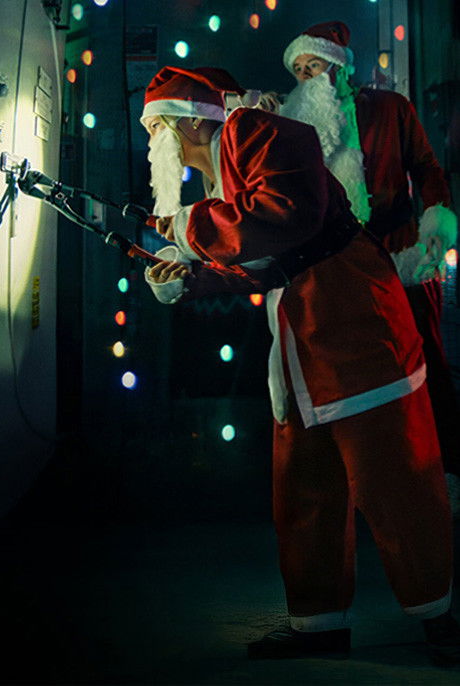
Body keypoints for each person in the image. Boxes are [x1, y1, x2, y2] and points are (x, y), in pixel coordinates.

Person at [140, 65, 460, 665]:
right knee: (306, 485)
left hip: (355, 327)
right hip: (303, 340)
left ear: (187, 122)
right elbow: (264, 259)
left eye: (157, 127)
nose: (154, 140)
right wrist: (192, 279)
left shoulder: (256, 132)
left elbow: (287, 215)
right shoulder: (221, 171)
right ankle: (318, 623)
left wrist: (189, 227)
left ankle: (440, 616)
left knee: (395, 479)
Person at [262, 21, 460, 501]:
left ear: (339, 66)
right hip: (340, 269)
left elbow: (427, 168)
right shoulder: (295, 123)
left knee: (425, 362)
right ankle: (369, 481)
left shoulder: (390, 108)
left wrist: (435, 220)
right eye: (299, 69)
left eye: (314, 65)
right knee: (353, 377)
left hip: (400, 254)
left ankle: (444, 473)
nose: (306, 76)